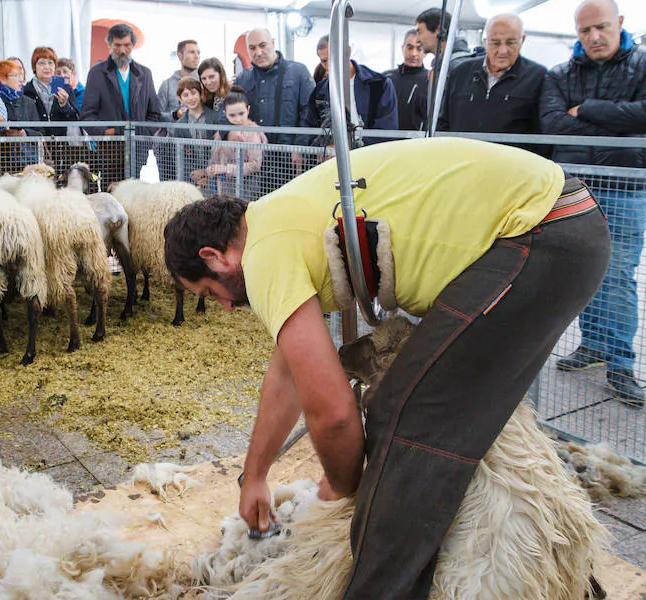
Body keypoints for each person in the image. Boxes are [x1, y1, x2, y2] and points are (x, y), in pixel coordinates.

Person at [163, 136, 609, 598]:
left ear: (216, 258)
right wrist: (253, 476)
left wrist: (340, 493)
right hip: (556, 226)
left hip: (540, 232)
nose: (226, 307)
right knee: (445, 414)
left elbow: (334, 414)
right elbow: (286, 373)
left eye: (209, 294)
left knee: (404, 417)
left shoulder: (265, 250)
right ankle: (561, 577)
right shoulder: (279, 217)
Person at [541, 0, 646, 406]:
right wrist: (619, 121)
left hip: (624, 188)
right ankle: (593, 345)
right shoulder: (561, 73)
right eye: (584, 31)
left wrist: (588, 110)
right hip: (576, 187)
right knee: (581, 268)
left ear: (620, 23)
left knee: (617, 271)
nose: (593, 37)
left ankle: (620, 362)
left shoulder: (641, 65)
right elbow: (553, 124)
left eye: (600, 27)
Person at [439, 14, 548, 156]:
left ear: (522, 40)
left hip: (511, 169)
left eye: (510, 42)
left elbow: (542, 132)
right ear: (485, 42)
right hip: (463, 165)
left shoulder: (538, 76)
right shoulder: (460, 72)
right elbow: (444, 121)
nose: (503, 50)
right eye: (495, 42)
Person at [233, 28, 314, 191]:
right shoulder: (243, 78)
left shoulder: (298, 72)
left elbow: (310, 112)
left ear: (273, 43)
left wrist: (300, 147)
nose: (258, 52)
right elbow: (230, 112)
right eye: (252, 48)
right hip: (257, 161)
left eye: (263, 45)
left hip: (292, 160)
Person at [80, 23, 162, 182]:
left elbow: (154, 114)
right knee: (110, 195)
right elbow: (87, 115)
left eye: (127, 45)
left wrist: (141, 135)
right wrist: (105, 131)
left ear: (133, 45)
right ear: (109, 44)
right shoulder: (97, 73)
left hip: (137, 150)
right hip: (109, 150)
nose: (122, 50)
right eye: (117, 45)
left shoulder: (144, 74)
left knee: (133, 196)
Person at [305, 50, 398, 146]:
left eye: (333, 57)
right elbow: (310, 125)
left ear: (347, 52)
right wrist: (322, 147)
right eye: (324, 61)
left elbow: (387, 130)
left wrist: (354, 148)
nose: (330, 64)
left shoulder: (379, 84)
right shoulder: (320, 90)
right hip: (334, 156)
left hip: (371, 155)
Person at [190, 86, 266, 201]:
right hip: (222, 190)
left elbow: (255, 164)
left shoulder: (253, 133)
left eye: (241, 113)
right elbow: (215, 160)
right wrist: (207, 172)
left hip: (246, 191)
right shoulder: (221, 133)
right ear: (225, 113)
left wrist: (224, 169)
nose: (238, 119)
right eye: (232, 115)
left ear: (248, 109)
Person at [0, 59, 43, 173]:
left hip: (28, 163)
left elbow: (39, 131)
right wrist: (3, 131)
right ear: (2, 78)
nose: (21, 79)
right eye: (15, 75)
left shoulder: (28, 102)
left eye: (21, 75)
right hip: (0, 165)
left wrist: (25, 133)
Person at [167, 78, 221, 183]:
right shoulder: (179, 126)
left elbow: (221, 150)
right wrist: (193, 175)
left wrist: (206, 172)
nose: (190, 98)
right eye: (185, 95)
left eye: (193, 93)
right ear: (180, 98)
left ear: (201, 94)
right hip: (193, 178)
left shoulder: (215, 117)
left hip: (216, 176)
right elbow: (179, 156)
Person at [22, 46, 79, 135]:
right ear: (34, 67)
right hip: (38, 144)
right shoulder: (27, 89)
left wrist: (65, 105)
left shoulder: (65, 87)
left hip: (61, 145)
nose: (47, 67)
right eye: (42, 63)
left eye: (50, 63)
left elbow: (75, 119)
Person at [383, 29, 429, 131]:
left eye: (419, 48)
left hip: (418, 143)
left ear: (425, 51)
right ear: (402, 48)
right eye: (409, 47)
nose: (413, 53)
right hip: (386, 141)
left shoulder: (431, 80)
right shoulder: (386, 78)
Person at [157, 39, 201, 121]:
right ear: (180, 55)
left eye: (198, 53)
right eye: (192, 52)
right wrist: (175, 115)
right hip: (174, 133)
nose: (196, 56)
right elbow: (157, 115)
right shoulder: (167, 85)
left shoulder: (204, 83)